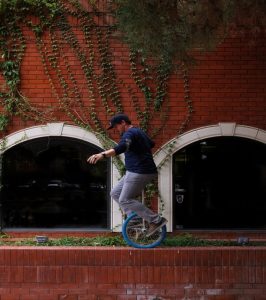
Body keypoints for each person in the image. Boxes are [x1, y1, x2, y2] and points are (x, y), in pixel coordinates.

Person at [87, 113, 167, 236]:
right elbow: (151, 144)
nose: (116, 129)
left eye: (116, 126)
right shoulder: (139, 132)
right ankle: (135, 219)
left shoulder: (130, 133)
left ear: (123, 123)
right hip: (135, 171)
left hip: (139, 171)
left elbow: (122, 147)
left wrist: (102, 155)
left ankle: (156, 220)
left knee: (125, 199)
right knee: (115, 193)